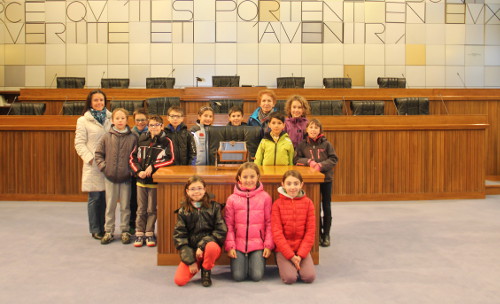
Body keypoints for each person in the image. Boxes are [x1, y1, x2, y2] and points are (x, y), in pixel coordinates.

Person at [173, 176, 227, 287]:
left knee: (211, 247)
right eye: (192, 189)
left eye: (199, 188)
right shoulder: (183, 211)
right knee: (180, 280)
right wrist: (190, 260)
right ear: (187, 191)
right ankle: (199, 263)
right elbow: (180, 237)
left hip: (210, 247)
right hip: (193, 251)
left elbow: (221, 230)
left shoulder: (214, 207)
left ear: (204, 189)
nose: (196, 192)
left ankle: (206, 271)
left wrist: (202, 245)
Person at [129, 114, 174, 248]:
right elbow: (132, 158)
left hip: (154, 182)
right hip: (141, 180)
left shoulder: (166, 141)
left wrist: (153, 166)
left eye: (156, 125)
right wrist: (138, 171)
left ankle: (149, 233)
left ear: (161, 126)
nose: (153, 128)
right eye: (151, 125)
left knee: (152, 209)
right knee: (141, 209)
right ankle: (139, 232)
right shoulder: (141, 139)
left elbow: (170, 159)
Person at [94, 108, 138, 245]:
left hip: (126, 177)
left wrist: (131, 171)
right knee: (110, 205)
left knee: (125, 206)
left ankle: (125, 231)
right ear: (112, 120)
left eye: (123, 118)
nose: (120, 121)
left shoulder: (133, 137)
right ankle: (109, 231)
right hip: (110, 177)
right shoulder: (107, 136)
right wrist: (104, 168)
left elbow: (136, 157)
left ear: (127, 120)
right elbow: (98, 154)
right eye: (117, 118)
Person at [224, 162, 274, 282]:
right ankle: (243, 261)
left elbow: (269, 223)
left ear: (258, 177)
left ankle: (252, 260)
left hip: (258, 244)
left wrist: (268, 245)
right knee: (238, 277)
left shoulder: (265, 198)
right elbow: (229, 225)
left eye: (252, 176)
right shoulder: (232, 199)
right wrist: (230, 246)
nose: (249, 180)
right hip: (238, 244)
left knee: (256, 276)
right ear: (239, 178)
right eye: (245, 177)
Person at [74, 89, 112, 240]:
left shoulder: (111, 118)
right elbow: (79, 144)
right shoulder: (83, 120)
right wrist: (91, 159)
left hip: (109, 164)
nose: (99, 103)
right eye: (96, 100)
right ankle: (95, 229)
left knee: (106, 198)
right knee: (95, 197)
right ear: (90, 102)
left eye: (101, 100)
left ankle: (105, 227)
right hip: (94, 165)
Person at [294, 119, 338, 247]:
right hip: (311, 181)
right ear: (306, 130)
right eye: (311, 127)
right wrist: (309, 162)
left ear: (320, 130)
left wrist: (321, 165)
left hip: (326, 179)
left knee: (326, 206)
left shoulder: (326, 144)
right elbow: (296, 159)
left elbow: (333, 158)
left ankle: (326, 234)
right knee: (315, 207)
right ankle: (317, 233)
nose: (313, 130)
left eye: (316, 127)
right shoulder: (302, 145)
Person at [272, 170, 316, 284]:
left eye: (296, 184)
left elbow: (310, 232)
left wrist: (300, 255)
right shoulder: (277, 204)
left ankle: (298, 262)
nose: (292, 187)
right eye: (289, 183)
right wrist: (291, 256)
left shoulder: (308, 203)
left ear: (301, 184)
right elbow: (277, 234)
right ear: (283, 184)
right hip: (284, 249)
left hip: (302, 248)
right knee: (289, 278)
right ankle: (286, 263)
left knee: (309, 277)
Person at [130, 108, 149, 233]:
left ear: (147, 120)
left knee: (148, 203)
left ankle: (147, 227)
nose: (140, 122)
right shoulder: (130, 134)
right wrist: (136, 170)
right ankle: (132, 225)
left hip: (147, 172)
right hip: (134, 172)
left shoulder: (152, 133)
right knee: (133, 201)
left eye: (143, 120)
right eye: (138, 120)